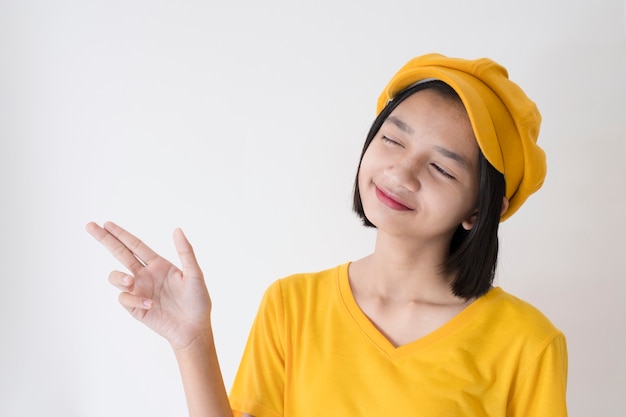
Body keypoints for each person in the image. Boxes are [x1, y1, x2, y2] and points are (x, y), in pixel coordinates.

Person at [86, 53, 568, 417]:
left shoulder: (527, 343)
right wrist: (192, 342)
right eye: (393, 139)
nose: (401, 171)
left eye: (442, 167)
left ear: (481, 208)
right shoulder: (292, 305)